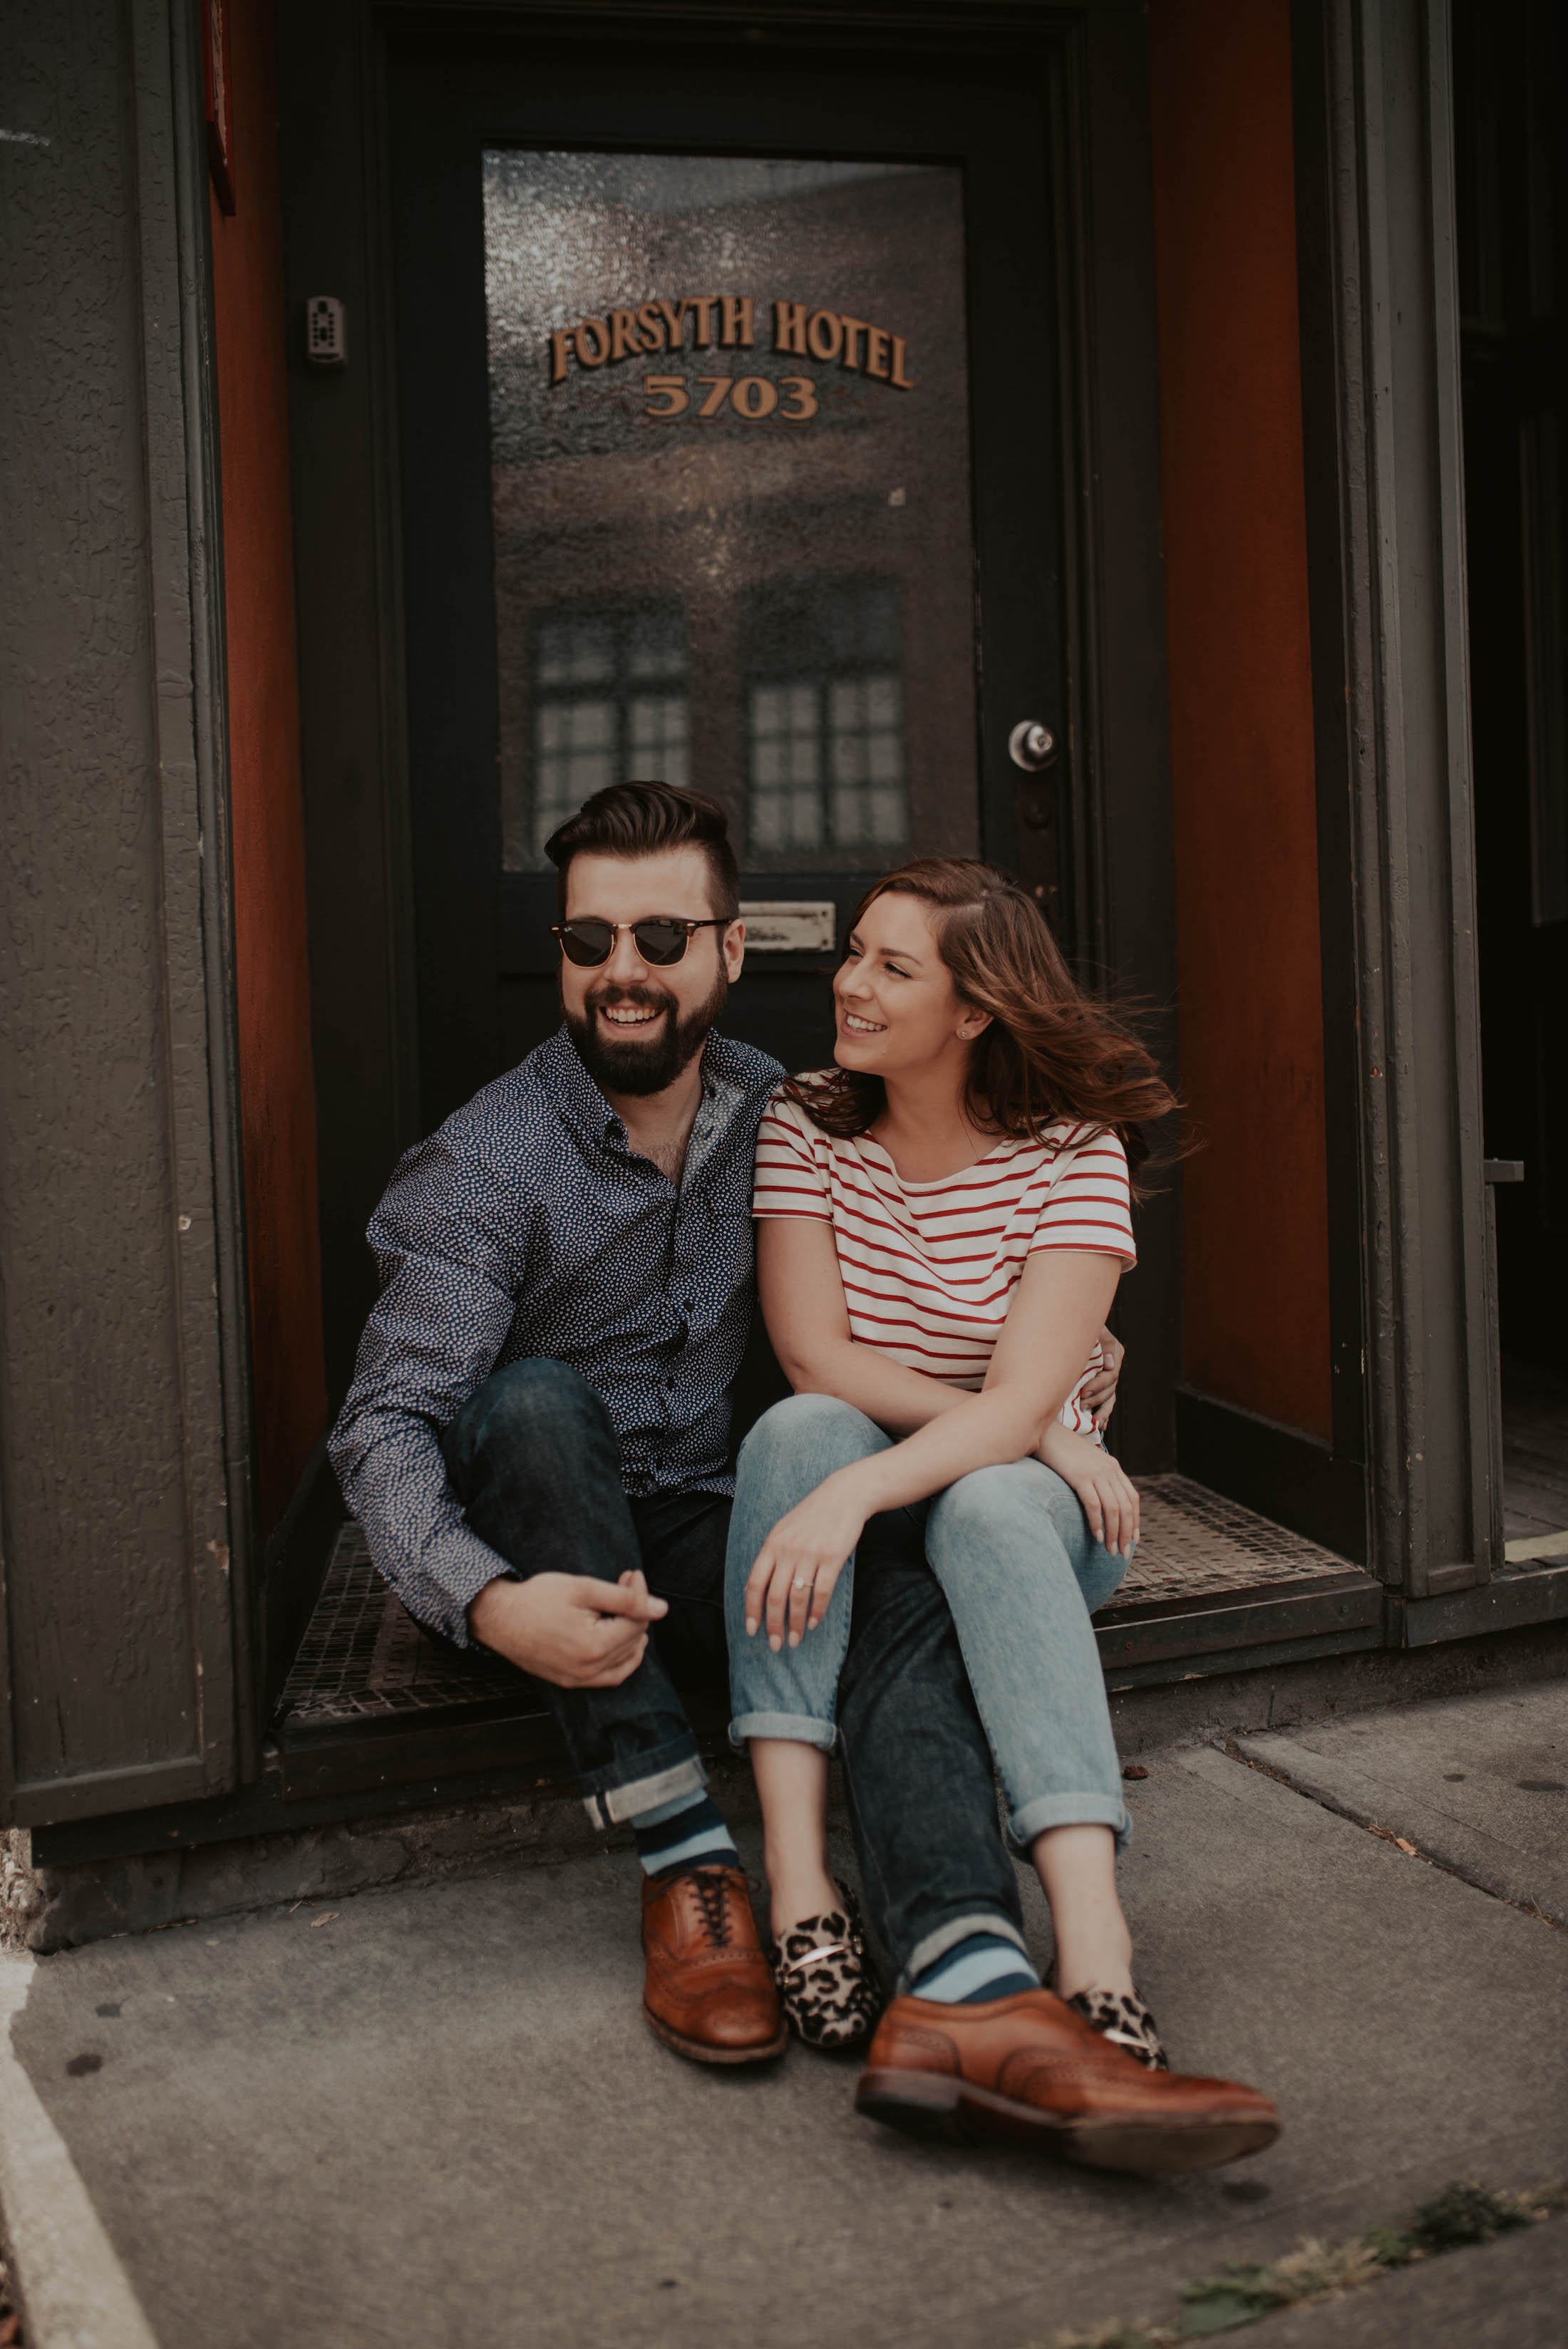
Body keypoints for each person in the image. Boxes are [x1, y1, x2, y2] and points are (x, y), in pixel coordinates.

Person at [331, 783, 1279, 2172]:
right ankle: (686, 1867)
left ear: (725, 947)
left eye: (660, 935)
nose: (623, 972)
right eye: (588, 942)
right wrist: (482, 1603)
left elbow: (951, 1258)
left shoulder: (790, 1113)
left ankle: (961, 1975)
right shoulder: (487, 1161)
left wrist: (1052, 1367)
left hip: (703, 1526)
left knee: (892, 1580)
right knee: (534, 1406)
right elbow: (383, 1425)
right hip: (538, 1543)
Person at [724, 859, 1175, 2069]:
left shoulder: (1077, 1150)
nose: (850, 984)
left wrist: (904, 1474)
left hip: (1033, 1515)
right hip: (921, 1463)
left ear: (974, 1011)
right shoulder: (807, 1118)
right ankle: (803, 1890)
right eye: (854, 952)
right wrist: (985, 1433)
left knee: (977, 1501)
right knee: (797, 1433)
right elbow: (814, 1354)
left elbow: (1024, 1405)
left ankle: (1096, 1955)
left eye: (892, 967)